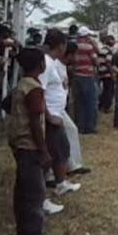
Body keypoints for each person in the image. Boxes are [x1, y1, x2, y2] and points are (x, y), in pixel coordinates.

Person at [4, 48, 53, 235]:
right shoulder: (34, 89)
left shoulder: (21, 85)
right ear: (40, 65)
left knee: (22, 193)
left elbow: (6, 105)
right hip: (30, 146)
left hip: (18, 144)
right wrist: (44, 151)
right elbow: (35, 122)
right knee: (34, 195)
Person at [39, 29, 81, 197]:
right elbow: (38, 92)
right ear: (61, 45)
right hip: (51, 115)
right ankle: (52, 186)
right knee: (55, 152)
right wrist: (49, 116)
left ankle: (60, 182)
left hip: (56, 113)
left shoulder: (51, 62)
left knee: (61, 150)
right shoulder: (46, 64)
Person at [56, 41, 91, 176]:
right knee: (61, 137)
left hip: (60, 107)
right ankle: (62, 169)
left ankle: (73, 165)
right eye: (74, 55)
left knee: (71, 130)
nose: (76, 58)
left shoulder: (63, 66)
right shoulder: (55, 66)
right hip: (54, 109)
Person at [72, 26, 99, 134]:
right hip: (87, 75)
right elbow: (96, 60)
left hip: (76, 75)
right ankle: (90, 126)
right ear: (86, 36)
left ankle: (80, 126)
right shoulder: (88, 47)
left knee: (79, 103)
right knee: (91, 102)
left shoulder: (74, 45)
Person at [98, 35, 115, 113]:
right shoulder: (109, 51)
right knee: (109, 90)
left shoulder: (101, 49)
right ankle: (107, 107)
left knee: (105, 90)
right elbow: (108, 63)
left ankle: (101, 105)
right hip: (107, 73)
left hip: (100, 72)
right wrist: (112, 74)